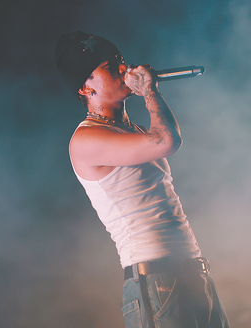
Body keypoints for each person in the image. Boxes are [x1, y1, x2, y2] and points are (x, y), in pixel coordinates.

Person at [55, 31, 230, 328]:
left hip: (192, 274)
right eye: (110, 66)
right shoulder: (85, 140)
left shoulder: (132, 130)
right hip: (157, 284)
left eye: (121, 60)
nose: (125, 68)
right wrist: (150, 91)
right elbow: (166, 140)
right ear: (85, 87)